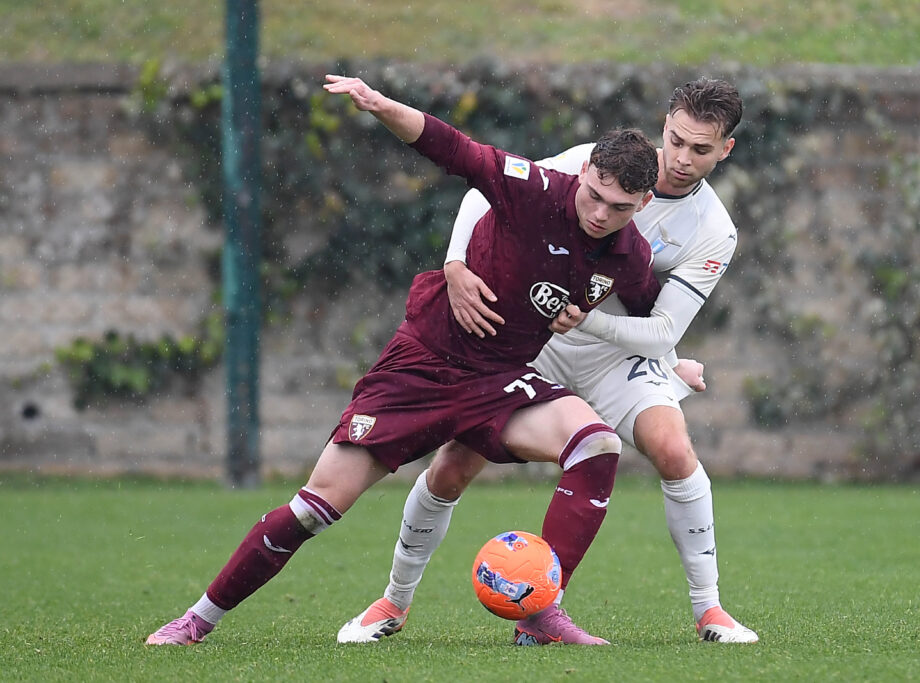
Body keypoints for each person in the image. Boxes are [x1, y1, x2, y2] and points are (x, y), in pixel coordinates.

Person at [145, 74, 662, 647]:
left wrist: (667, 363)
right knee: (316, 508)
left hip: (500, 381)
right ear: (584, 172)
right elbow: (454, 148)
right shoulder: (536, 189)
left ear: (642, 203)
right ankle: (198, 620)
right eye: (593, 194)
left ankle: (542, 614)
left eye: (618, 208)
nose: (599, 213)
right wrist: (381, 105)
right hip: (421, 366)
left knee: (596, 444)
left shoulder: (630, 254)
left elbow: (652, 320)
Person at [337, 78, 758, 646]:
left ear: (725, 150)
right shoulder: (596, 163)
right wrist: (457, 263)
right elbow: (485, 187)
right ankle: (393, 601)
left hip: (616, 356)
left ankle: (708, 611)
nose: (682, 159)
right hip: (534, 346)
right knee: (453, 467)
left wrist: (605, 328)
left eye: (701, 150)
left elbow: (660, 328)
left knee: (674, 450)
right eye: (677, 141)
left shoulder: (714, 231)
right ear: (665, 124)